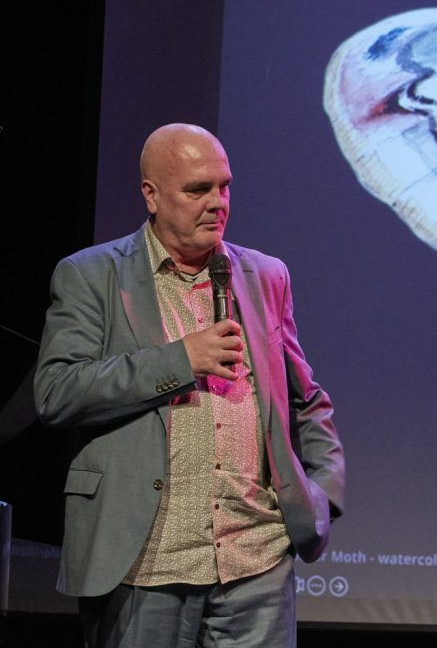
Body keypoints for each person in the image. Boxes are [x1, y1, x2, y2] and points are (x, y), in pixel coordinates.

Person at [34, 123, 346, 647]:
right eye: (198, 189)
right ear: (151, 195)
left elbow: (305, 398)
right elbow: (56, 392)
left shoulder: (266, 276)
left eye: (224, 187)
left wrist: (322, 493)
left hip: (257, 559)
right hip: (146, 564)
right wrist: (180, 360)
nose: (217, 203)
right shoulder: (92, 275)